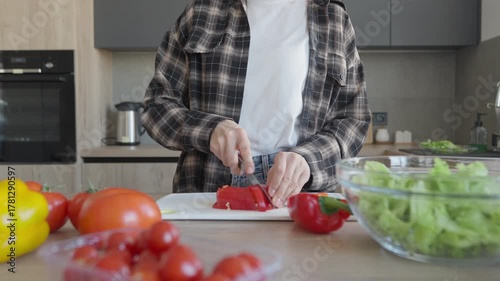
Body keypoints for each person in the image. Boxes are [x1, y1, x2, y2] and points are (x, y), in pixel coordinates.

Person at [141, 0, 371, 208]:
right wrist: (210, 130)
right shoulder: (201, 11)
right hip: (208, 191)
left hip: (298, 197)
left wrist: (308, 160)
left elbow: (352, 120)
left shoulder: (334, 19)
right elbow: (157, 105)